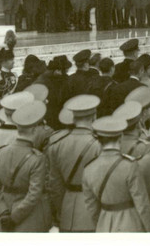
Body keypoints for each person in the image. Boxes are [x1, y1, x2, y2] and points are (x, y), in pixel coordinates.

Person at [80, 116, 150, 232]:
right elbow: (142, 205)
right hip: (130, 224)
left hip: (103, 224)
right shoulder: (130, 165)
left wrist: (101, 224)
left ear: (99, 140)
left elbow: (91, 207)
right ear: (121, 137)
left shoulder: (89, 168)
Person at [0, 102, 53, 232]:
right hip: (30, 218)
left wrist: (3, 212)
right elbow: (34, 194)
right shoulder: (38, 159)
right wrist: (14, 218)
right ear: (34, 130)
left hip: (4, 214)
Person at [47, 94, 102, 232]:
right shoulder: (99, 144)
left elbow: (55, 186)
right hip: (93, 213)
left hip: (67, 209)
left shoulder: (56, 144)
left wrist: (61, 209)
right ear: (94, 116)